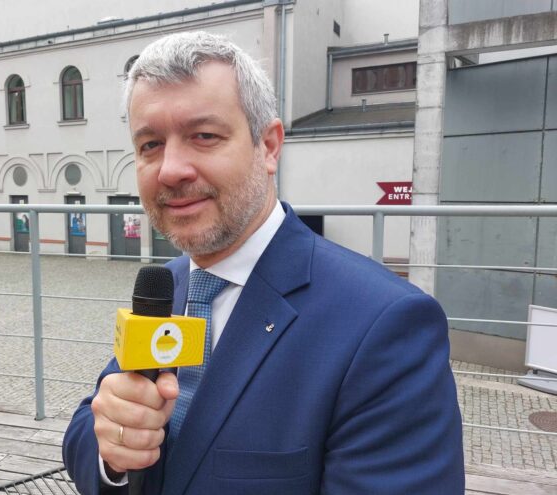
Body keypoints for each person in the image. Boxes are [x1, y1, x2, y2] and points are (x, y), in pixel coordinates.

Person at [62, 31, 464, 494]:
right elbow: (91, 428)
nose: (170, 169)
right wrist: (113, 455)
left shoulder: (385, 325)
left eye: (204, 136)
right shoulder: (166, 289)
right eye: (150, 144)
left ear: (269, 147)